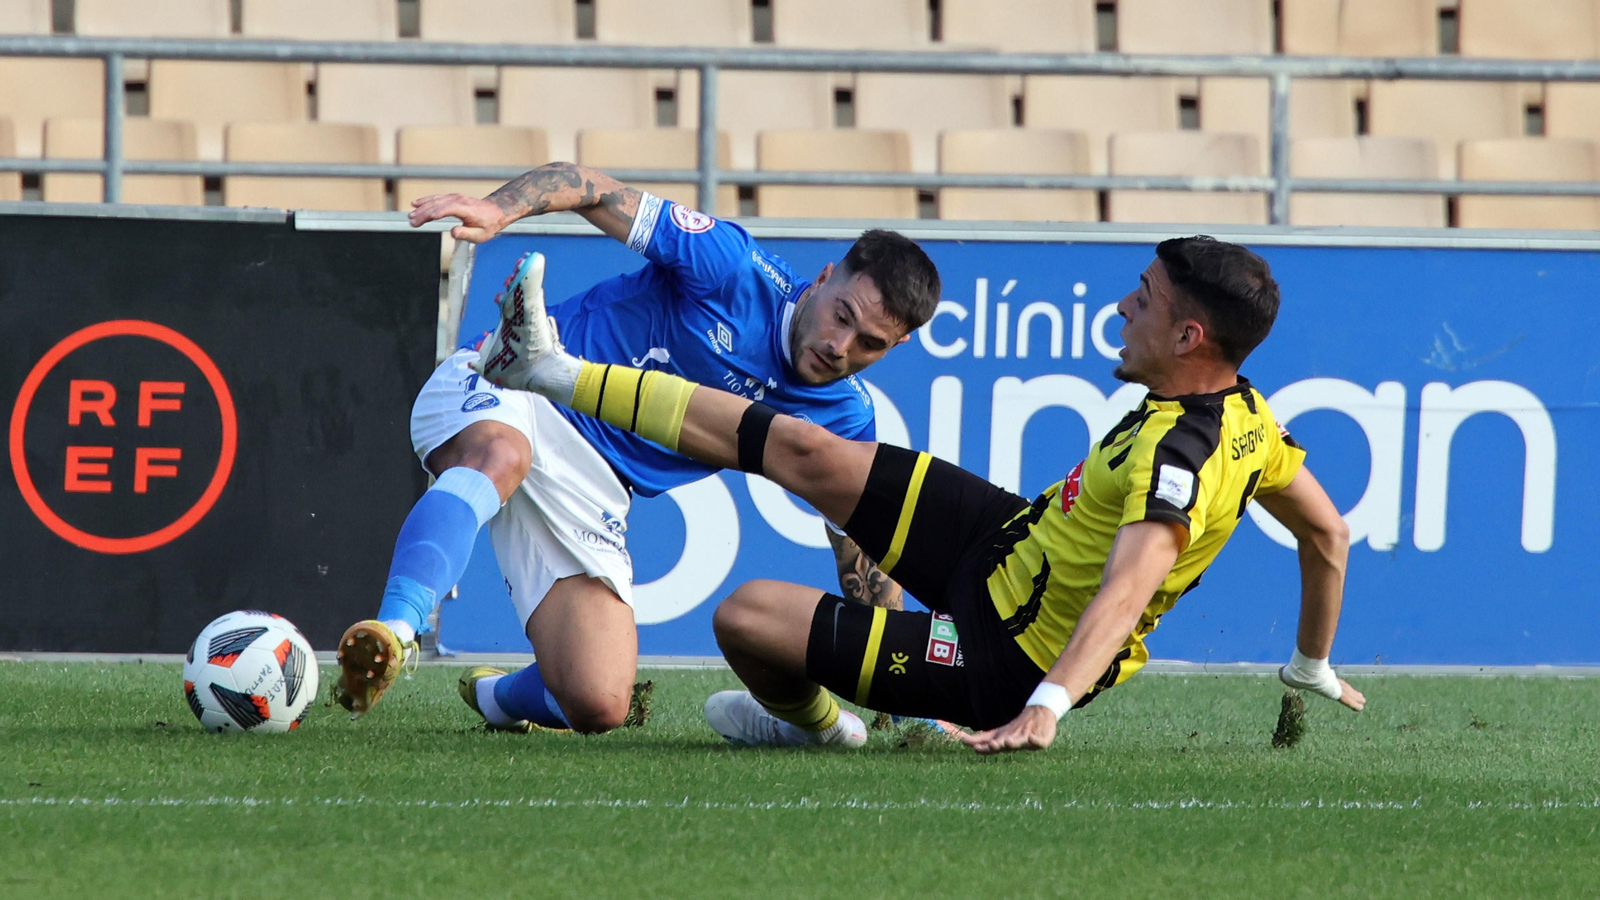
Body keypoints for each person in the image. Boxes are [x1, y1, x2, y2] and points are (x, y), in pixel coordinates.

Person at [469, 234, 1367, 753]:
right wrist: (1311, 664)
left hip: (1007, 656)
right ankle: (549, 370)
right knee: (805, 445)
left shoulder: (1182, 454)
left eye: (1144, 299)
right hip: (1006, 541)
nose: (1125, 309)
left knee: (744, 619)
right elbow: (1327, 536)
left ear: (1189, 336)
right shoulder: (1250, 420)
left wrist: (1045, 707)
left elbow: (1128, 588)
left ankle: (813, 726)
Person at [332, 163, 940, 737]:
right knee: (503, 455)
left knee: (599, 702)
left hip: (595, 480)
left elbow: (865, 562)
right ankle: (396, 630)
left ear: (897, 346)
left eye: (869, 343)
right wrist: (498, 209)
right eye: (841, 316)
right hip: (517, 379)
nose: (840, 346)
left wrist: (914, 705)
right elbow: (588, 185)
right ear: (825, 277)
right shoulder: (732, 267)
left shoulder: (845, 418)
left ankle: (498, 699)